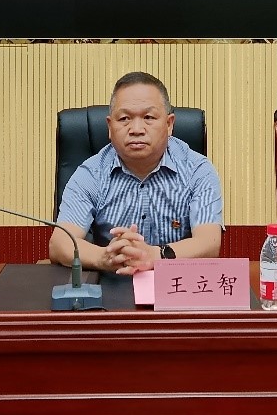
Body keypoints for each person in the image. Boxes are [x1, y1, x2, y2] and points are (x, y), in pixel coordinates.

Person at [50, 71, 223, 275]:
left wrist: (154, 255)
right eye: (125, 118)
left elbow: (209, 243)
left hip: (176, 284)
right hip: (113, 281)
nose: (137, 129)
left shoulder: (197, 170)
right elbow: (60, 244)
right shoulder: (91, 174)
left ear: (169, 124)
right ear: (109, 127)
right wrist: (105, 257)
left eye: (148, 117)